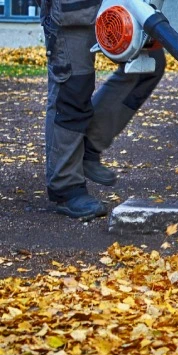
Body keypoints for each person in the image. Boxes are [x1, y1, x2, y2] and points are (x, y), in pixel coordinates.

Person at [40, 0, 165, 220]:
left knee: (148, 65)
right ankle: (66, 186)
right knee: (72, 88)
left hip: (122, 3)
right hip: (72, 11)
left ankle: (88, 145)